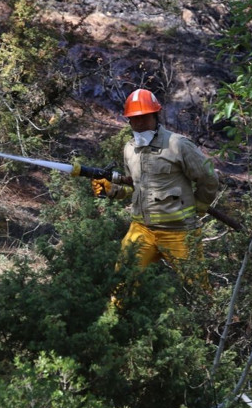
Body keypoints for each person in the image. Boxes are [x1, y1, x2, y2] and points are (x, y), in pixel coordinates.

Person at [92, 88, 219, 274]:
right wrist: (113, 190)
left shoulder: (178, 145)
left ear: (155, 116)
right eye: (134, 118)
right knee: (122, 280)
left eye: (144, 117)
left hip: (180, 231)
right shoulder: (129, 149)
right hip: (141, 229)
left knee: (196, 287)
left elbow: (208, 177)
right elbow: (134, 187)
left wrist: (200, 206)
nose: (139, 123)